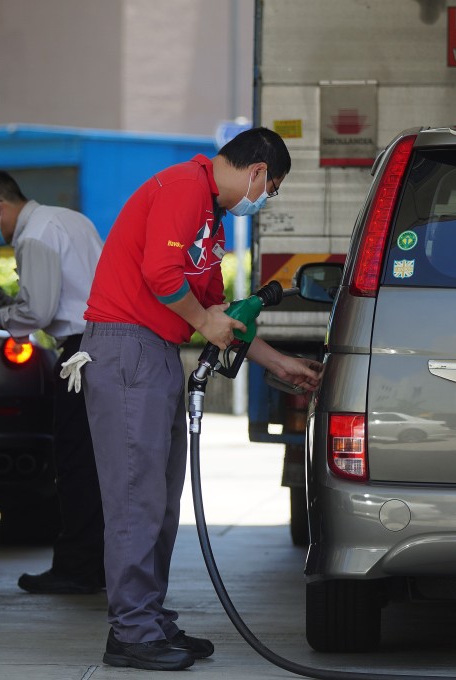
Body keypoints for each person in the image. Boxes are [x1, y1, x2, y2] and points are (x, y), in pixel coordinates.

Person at [77, 127, 323, 671]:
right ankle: (132, 631)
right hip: (126, 350)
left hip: (156, 351)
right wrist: (203, 321)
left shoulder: (207, 219)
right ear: (258, 171)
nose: (263, 201)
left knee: (161, 503)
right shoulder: (184, 186)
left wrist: (280, 364)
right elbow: (162, 274)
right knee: (136, 500)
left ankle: (146, 617)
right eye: (271, 189)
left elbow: (219, 315)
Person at [0, 169, 106, 595]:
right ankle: (95, 565)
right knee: (98, 466)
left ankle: (76, 570)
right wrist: (11, 307)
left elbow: (39, 313)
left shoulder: (32, 236)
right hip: (105, 345)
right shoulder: (71, 219)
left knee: (75, 463)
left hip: (82, 353)